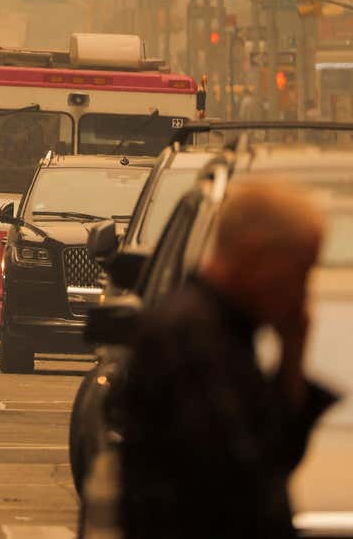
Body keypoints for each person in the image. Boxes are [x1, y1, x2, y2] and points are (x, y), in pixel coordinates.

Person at [115, 180, 337, 538]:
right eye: (299, 269)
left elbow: (271, 455)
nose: (302, 289)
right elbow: (243, 477)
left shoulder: (223, 331)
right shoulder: (193, 340)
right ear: (257, 256)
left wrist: (292, 355)